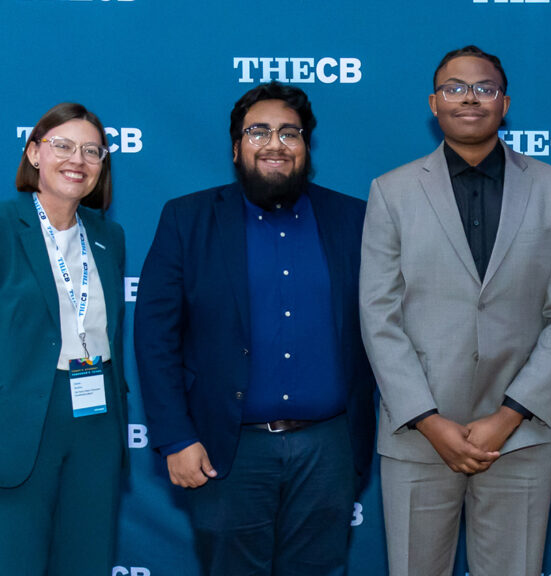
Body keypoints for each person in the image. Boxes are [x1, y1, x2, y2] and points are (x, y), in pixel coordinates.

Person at [359, 45, 551, 576]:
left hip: (519, 437)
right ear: (433, 103)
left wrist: (509, 415)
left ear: (504, 103)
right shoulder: (391, 192)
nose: (469, 98)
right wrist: (429, 420)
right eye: (455, 88)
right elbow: (378, 316)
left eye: (483, 88)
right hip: (417, 437)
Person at [134, 82, 374, 576]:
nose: (275, 144)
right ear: (237, 146)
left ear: (307, 147)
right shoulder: (188, 219)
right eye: (259, 131)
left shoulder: (354, 219)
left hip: (328, 448)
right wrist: (175, 437)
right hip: (228, 449)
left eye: (290, 133)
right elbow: (155, 338)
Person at [0, 102, 126, 575]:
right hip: (21, 419)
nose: (78, 160)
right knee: (16, 560)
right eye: (63, 146)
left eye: (92, 151)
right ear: (34, 153)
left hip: (96, 414)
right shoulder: (3, 227)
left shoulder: (109, 236)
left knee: (86, 559)